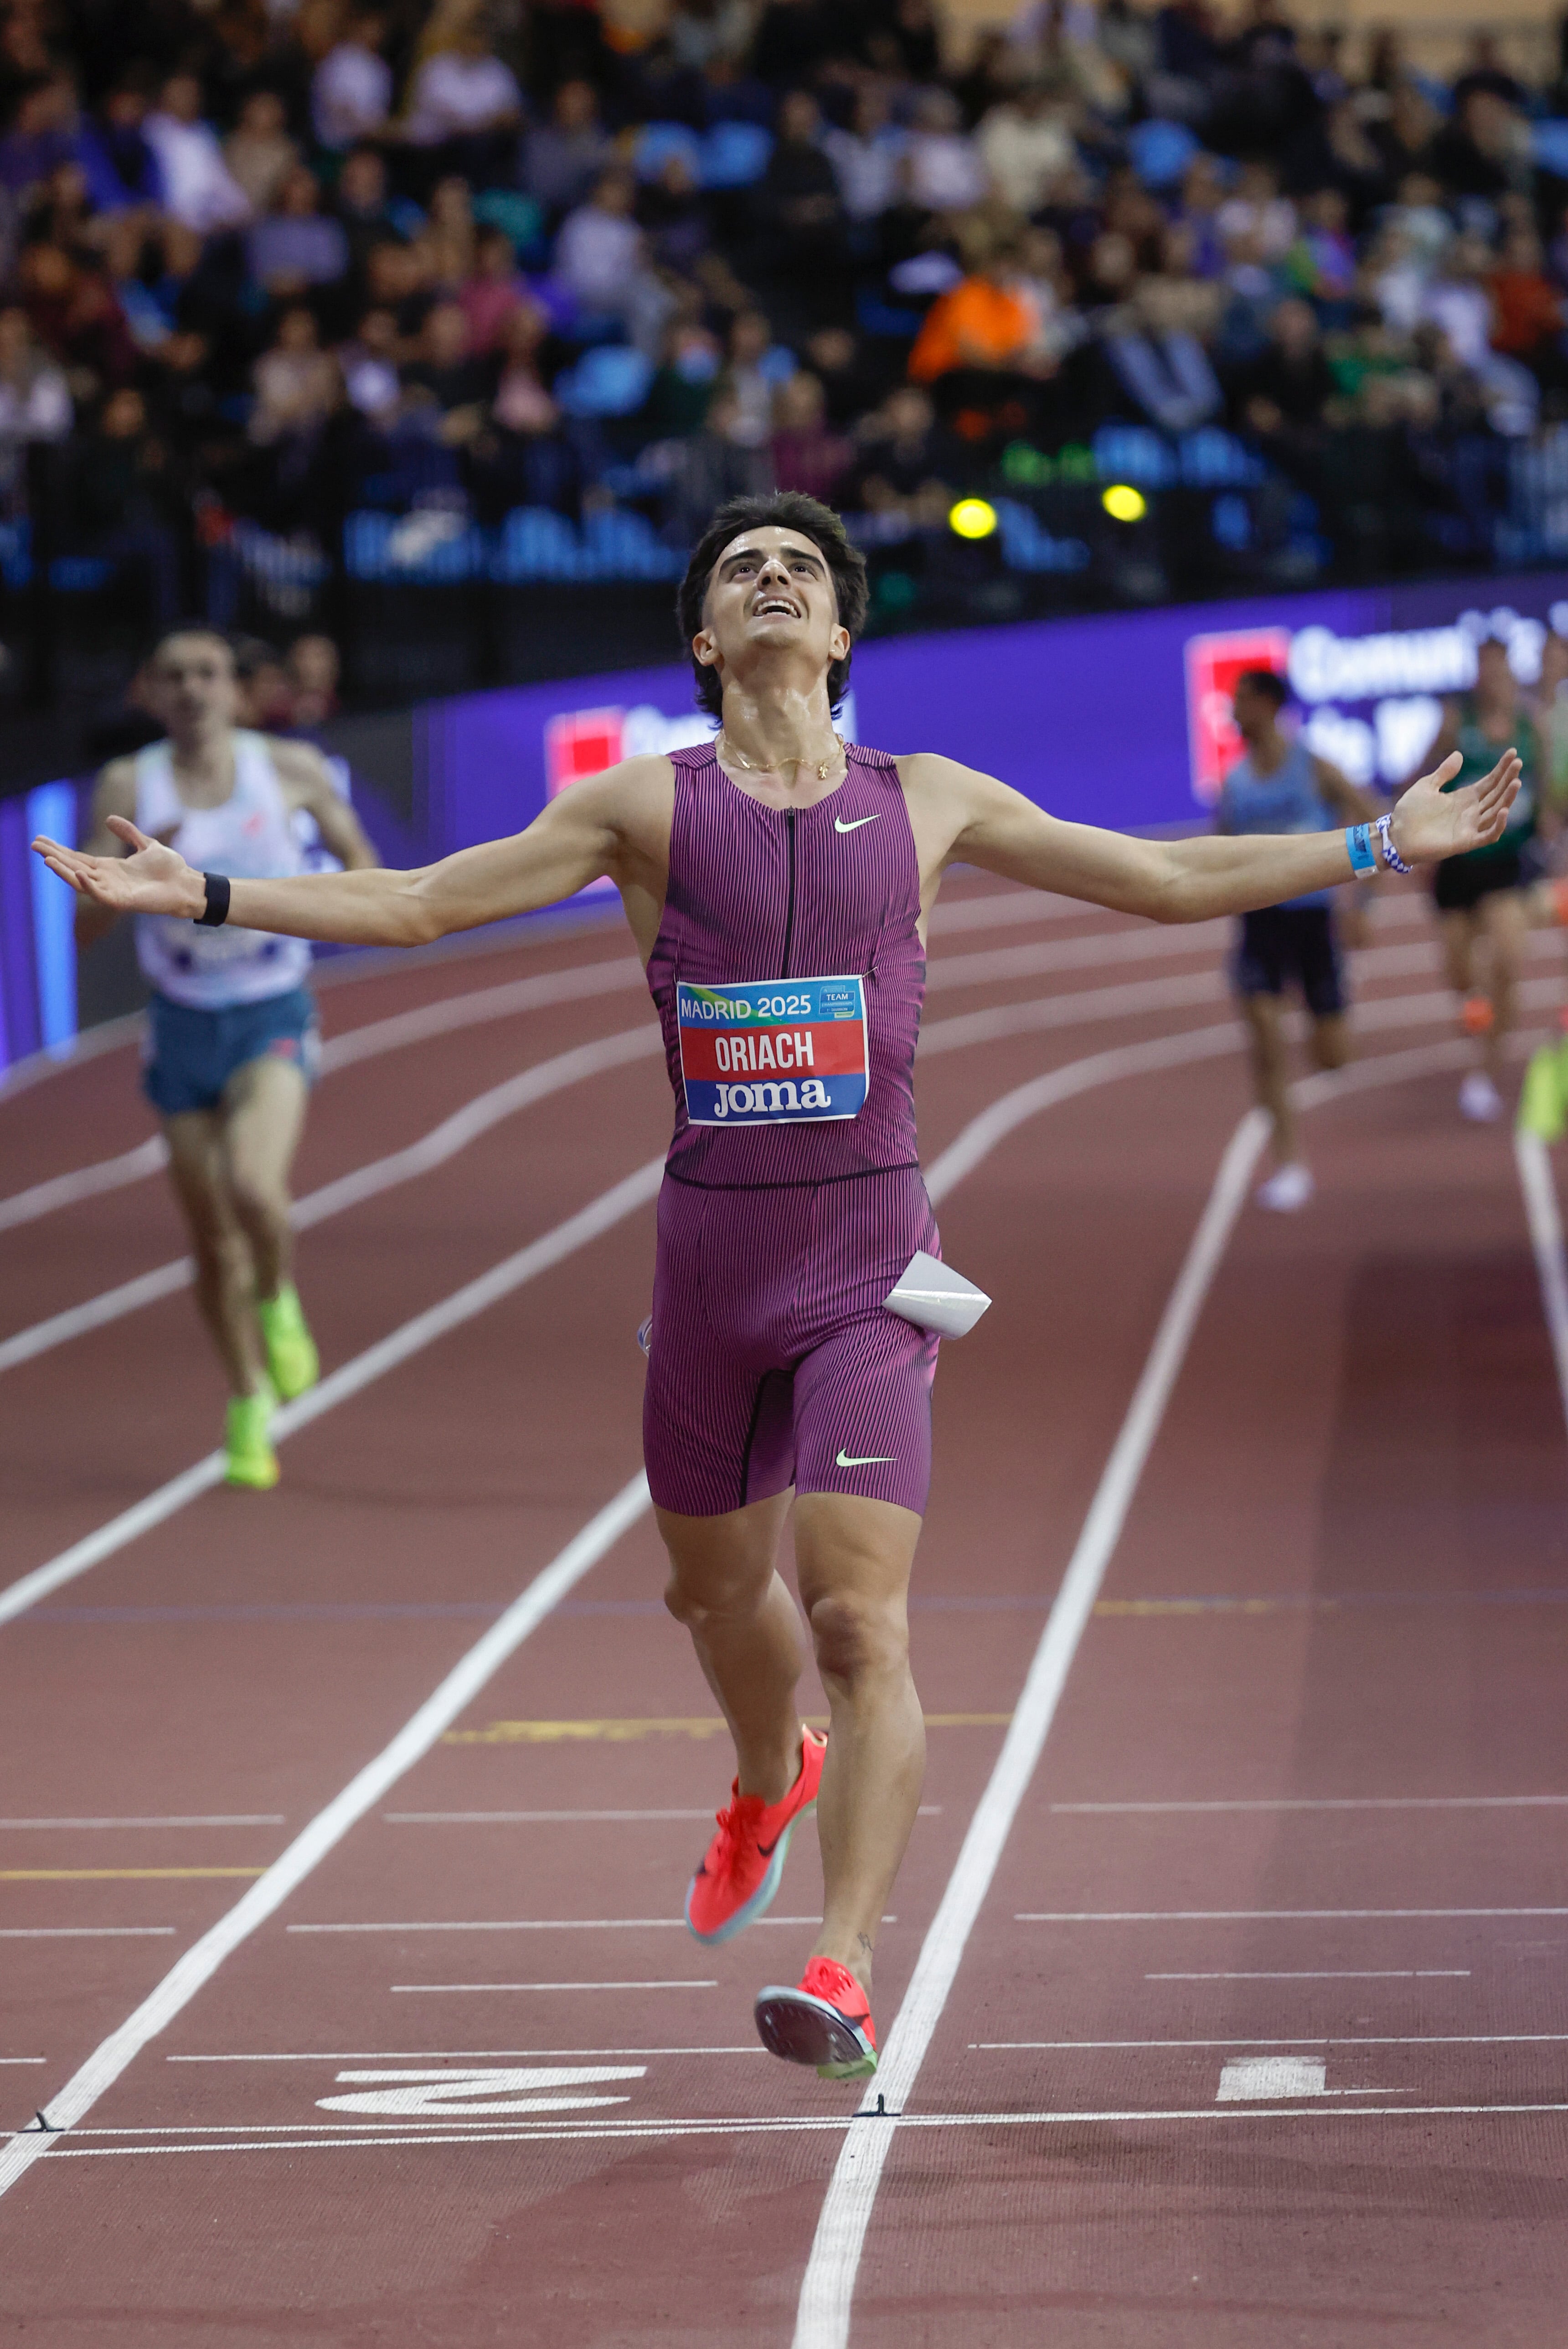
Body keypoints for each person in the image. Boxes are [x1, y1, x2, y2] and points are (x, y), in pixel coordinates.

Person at [33, 494, 1519, 2081]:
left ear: (839, 636)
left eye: (800, 570)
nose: (771, 579)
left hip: (869, 1264)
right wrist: (201, 897)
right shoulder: (643, 812)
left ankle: (845, 1965)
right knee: (711, 1597)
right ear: (705, 641)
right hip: (710, 1262)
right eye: (742, 569)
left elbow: (1156, 877)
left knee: (859, 1617)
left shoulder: (927, 799)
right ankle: (768, 1765)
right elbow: (418, 902)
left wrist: (1374, 843)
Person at [62, 630, 378, 1490]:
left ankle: (276, 1298)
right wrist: (122, 877)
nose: (192, 689)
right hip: (181, 1023)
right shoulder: (132, 786)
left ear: (237, 690)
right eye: (173, 677)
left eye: (207, 673)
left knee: (254, 1190)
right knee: (208, 1240)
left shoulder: (289, 769)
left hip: (270, 1012)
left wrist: (318, 902)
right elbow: (86, 929)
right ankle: (245, 1400)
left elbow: (369, 873)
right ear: (150, 694)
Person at [1218, 669, 1382, 1210]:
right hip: (1260, 927)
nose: (1232, 710)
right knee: (1265, 1048)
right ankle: (1288, 1163)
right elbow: (1215, 859)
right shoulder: (1235, 784)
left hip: (1312, 924)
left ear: (1266, 705)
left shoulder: (1312, 767)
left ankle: (1334, 1004)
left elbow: (1369, 827)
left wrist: (1361, 902)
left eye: (1241, 700)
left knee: (1333, 1058)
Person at [1416, 636, 1541, 1122]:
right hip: (1456, 863)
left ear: (1509, 670)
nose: (1489, 676)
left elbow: (1545, 788)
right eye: (1482, 666)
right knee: (1460, 975)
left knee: (1508, 961)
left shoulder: (1528, 723)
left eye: (1497, 666)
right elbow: (1422, 772)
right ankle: (1477, 1013)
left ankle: (1485, 1072)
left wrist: (1548, 823)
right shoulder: (1456, 720)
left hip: (1506, 862)